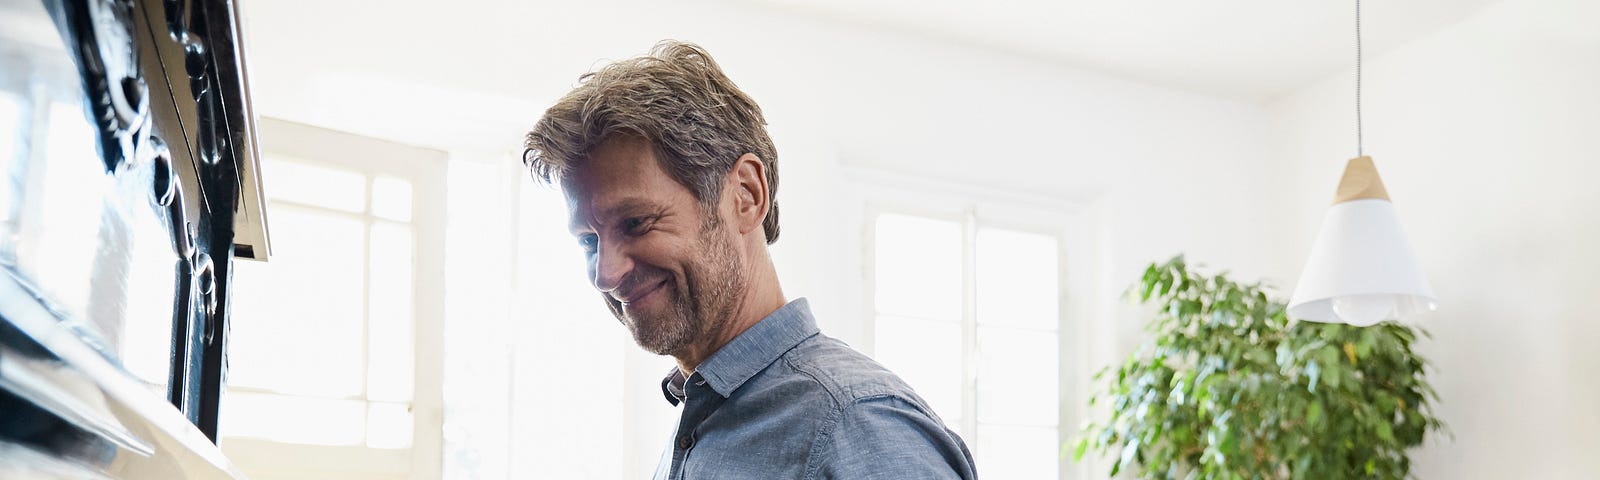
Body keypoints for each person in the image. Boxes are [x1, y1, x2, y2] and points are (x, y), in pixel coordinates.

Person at [522, 40, 977, 479]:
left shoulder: (857, 428)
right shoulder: (701, 422)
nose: (606, 273)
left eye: (637, 223)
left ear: (745, 195)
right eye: (588, 241)